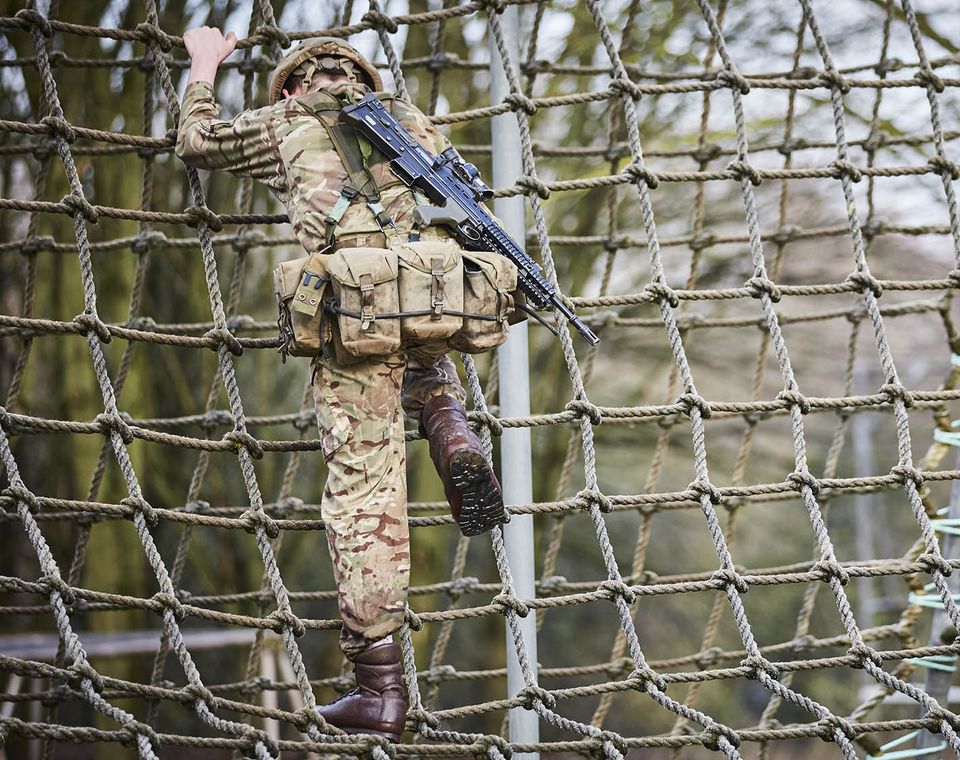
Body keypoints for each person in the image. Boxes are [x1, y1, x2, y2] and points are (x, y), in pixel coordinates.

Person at [176, 27, 506, 741]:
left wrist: (204, 66)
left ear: (294, 85)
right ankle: (448, 426)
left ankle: (378, 689)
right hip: (425, 298)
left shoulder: (284, 120)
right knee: (424, 360)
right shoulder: (407, 119)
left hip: (353, 316)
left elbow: (195, 142)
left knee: (363, 497)